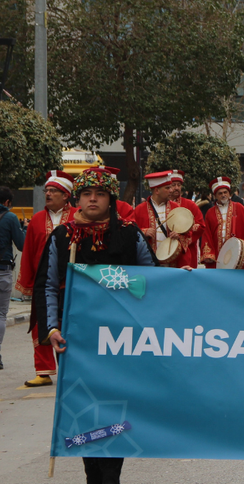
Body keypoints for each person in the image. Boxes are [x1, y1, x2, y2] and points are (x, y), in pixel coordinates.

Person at [36, 168, 158, 484]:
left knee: (115, 409)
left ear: (110, 199)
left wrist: (183, 277)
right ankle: (94, 474)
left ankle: (111, 475)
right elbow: (47, 286)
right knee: (86, 410)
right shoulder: (62, 237)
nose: (93, 199)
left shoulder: (130, 235)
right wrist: (51, 330)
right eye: (87, 194)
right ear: (78, 198)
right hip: (76, 341)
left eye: (100, 194)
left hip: (120, 340)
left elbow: (156, 282)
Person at [15, 171, 76, 386]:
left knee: (69, 325)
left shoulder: (79, 216)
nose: (48, 194)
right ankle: (43, 371)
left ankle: (72, 369)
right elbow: (29, 250)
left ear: (66, 195)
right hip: (43, 282)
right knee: (41, 325)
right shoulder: (37, 219)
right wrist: (27, 282)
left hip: (71, 281)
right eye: (47, 191)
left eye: (53, 191)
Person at [200, 177, 244, 269]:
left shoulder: (239, 208)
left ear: (229, 193)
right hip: (217, 254)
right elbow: (206, 234)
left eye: (225, 192)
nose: (223, 195)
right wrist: (208, 254)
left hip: (237, 254)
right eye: (220, 193)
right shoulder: (210, 213)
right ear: (215, 195)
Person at [133, 171, 189, 266]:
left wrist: (178, 236)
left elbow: (188, 234)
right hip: (148, 262)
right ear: (157, 191)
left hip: (171, 262)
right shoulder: (139, 210)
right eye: (167, 188)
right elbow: (131, 233)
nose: (171, 190)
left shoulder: (175, 208)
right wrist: (143, 232)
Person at [0, 186, 25, 371]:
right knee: (1, 314)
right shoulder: (10, 217)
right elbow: (22, 244)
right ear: (7, 202)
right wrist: (22, 229)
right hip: (2, 270)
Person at [169, 169, 204, 269]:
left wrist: (183, 233)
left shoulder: (190, 205)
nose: (176, 188)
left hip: (185, 252)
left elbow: (201, 226)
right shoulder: (163, 205)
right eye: (173, 184)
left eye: (179, 185)